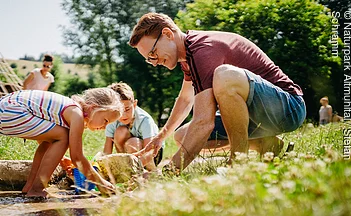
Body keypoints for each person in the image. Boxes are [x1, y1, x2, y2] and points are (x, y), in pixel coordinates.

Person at [129, 13, 306, 173]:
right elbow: (185, 99)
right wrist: (161, 136)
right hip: (259, 115)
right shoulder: (188, 56)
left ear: (167, 34)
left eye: (153, 53)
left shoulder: (202, 50)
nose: (153, 62)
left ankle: (238, 163)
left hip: (288, 108)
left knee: (224, 76)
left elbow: (203, 123)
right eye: (148, 59)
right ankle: (268, 146)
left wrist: (167, 172)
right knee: (182, 136)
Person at [0, 88, 122, 197]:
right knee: (63, 136)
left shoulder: (69, 108)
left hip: (6, 108)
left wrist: (62, 158)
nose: (104, 127)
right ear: (93, 108)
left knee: (52, 140)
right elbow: (77, 158)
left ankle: (29, 187)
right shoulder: (76, 114)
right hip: (12, 111)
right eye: (105, 120)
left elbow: (44, 143)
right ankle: (37, 189)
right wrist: (101, 182)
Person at [103, 82, 163, 171]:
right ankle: (124, 166)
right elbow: (107, 151)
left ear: (134, 105)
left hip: (152, 154)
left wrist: (135, 167)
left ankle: (150, 172)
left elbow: (150, 151)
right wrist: (105, 168)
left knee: (133, 143)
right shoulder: (112, 119)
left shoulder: (144, 120)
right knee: (120, 132)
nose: (123, 115)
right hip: (129, 154)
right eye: (118, 110)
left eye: (127, 109)